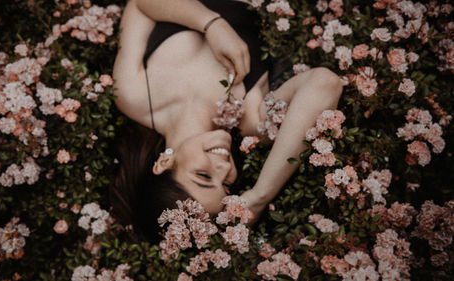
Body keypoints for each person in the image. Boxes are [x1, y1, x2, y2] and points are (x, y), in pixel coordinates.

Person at [110, 0, 343, 242]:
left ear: (164, 162)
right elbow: (324, 84)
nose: (223, 168)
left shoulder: (132, 95)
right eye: (227, 186)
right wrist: (260, 195)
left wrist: (211, 25)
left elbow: (139, 4)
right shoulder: (250, 121)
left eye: (203, 176)